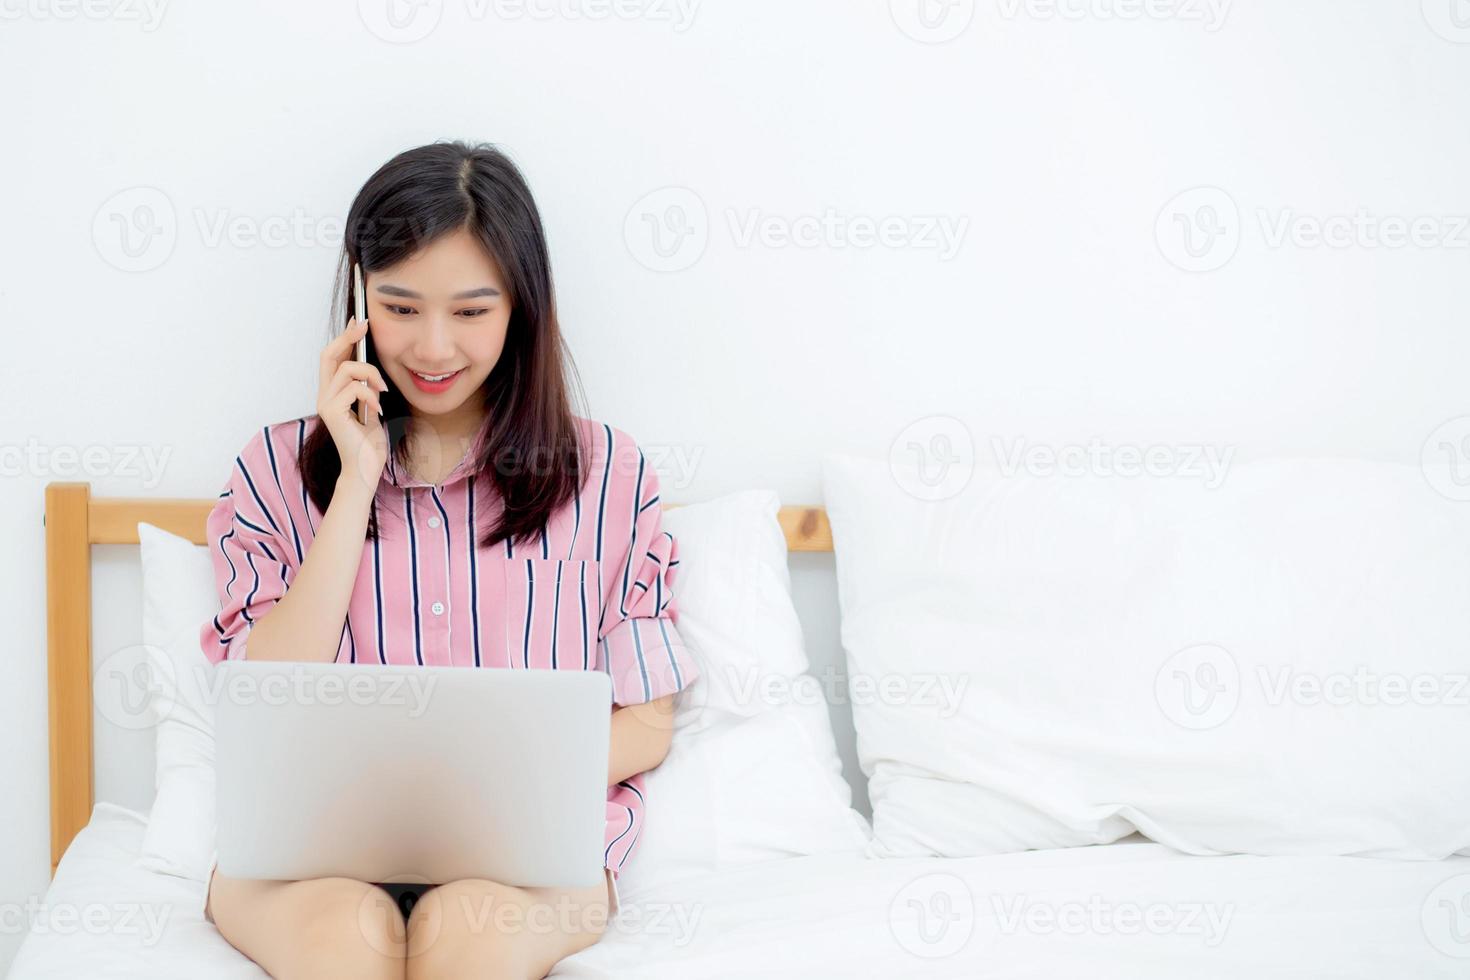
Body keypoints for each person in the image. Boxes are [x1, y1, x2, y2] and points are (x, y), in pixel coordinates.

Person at [198, 139, 700, 979]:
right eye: (400, 308)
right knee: (342, 936)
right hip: (307, 860)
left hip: (529, 858)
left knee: (469, 931)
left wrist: (473, 793)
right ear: (359, 298)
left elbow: (647, 722)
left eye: (471, 312)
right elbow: (266, 697)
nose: (433, 349)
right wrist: (356, 479)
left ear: (521, 308)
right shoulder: (272, 471)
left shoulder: (609, 475)